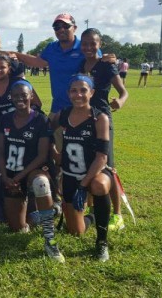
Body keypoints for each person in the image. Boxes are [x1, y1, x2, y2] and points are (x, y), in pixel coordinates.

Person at [0, 80, 64, 262]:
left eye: (24, 95)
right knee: (18, 228)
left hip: (32, 171)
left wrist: (17, 177)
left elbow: (42, 156)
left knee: (40, 183)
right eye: (16, 95)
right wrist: (5, 177)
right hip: (11, 175)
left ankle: (50, 240)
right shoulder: (5, 118)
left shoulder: (40, 120)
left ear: (31, 96)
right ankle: (51, 211)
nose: (20, 99)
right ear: (10, 97)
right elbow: (1, 152)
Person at [51, 75, 112, 262]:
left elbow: (102, 158)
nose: (78, 94)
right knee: (76, 231)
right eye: (74, 90)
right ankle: (92, 217)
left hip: (94, 173)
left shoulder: (99, 118)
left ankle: (102, 241)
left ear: (91, 92)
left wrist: (83, 185)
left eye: (83, 90)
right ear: (69, 93)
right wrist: (55, 153)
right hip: (70, 175)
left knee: (99, 186)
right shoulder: (62, 115)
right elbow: (44, 132)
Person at [79, 28, 129, 231]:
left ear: (100, 45)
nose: (89, 47)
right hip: (85, 119)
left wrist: (120, 101)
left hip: (104, 121)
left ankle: (117, 215)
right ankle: (92, 208)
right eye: (85, 44)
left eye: (93, 43)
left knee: (108, 167)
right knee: (89, 164)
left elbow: (123, 91)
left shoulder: (107, 66)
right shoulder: (81, 65)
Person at [0, 54, 41, 129]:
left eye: (2, 67)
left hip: (26, 125)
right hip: (5, 126)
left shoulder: (19, 83)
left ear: (9, 69)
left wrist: (26, 117)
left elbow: (37, 103)